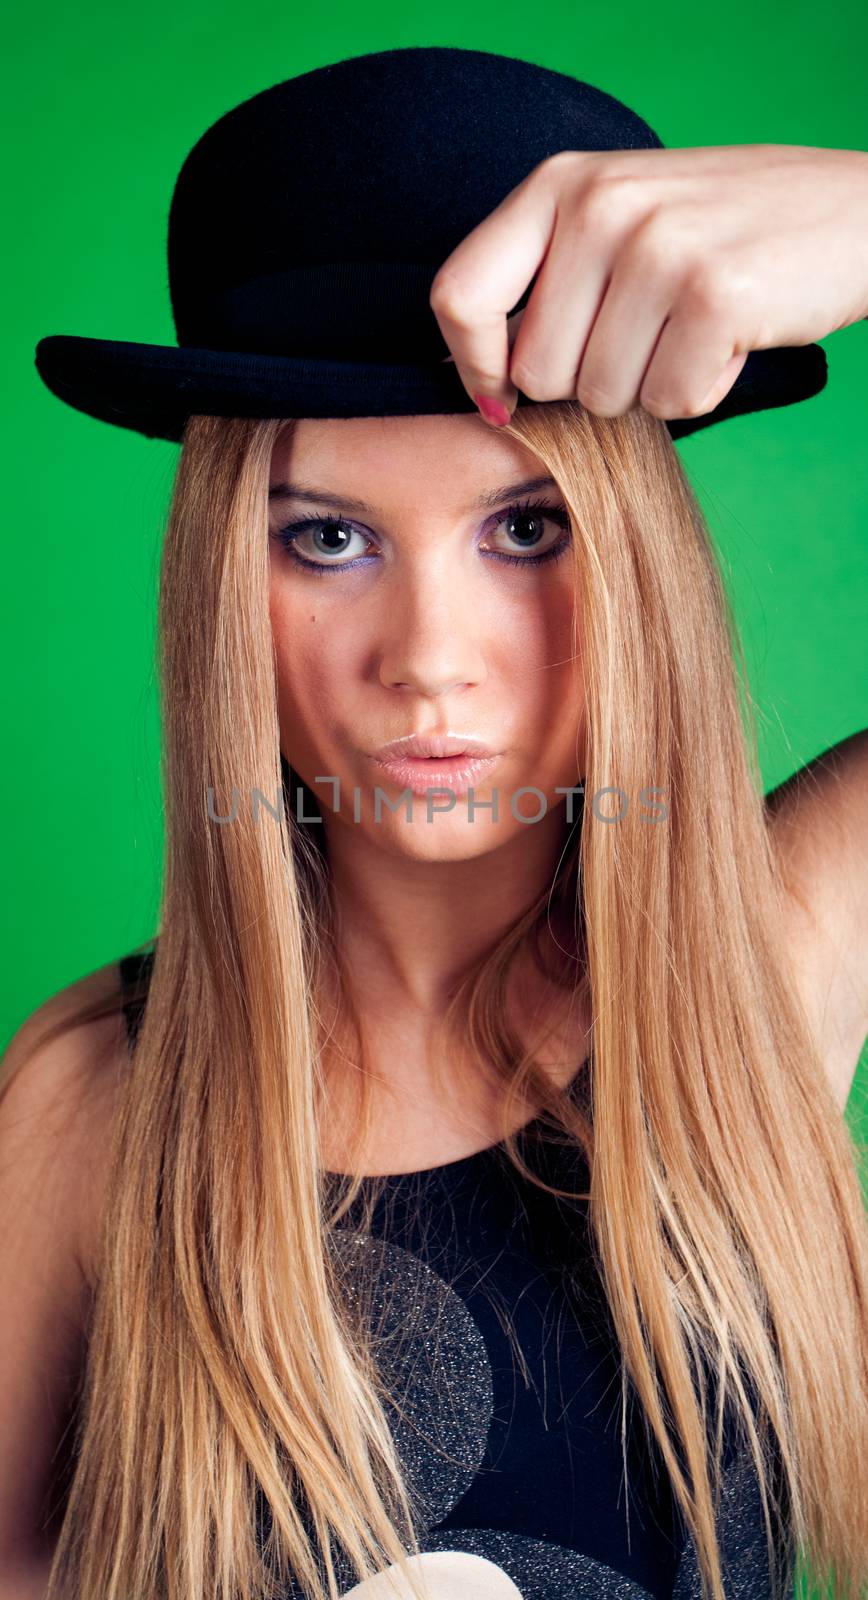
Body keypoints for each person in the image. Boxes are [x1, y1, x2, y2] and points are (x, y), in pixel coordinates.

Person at [3, 44, 868, 1600]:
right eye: (328, 538)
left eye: (526, 527)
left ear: (639, 563)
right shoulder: (92, 1109)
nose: (430, 658)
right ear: (221, 589)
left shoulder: (779, 951)